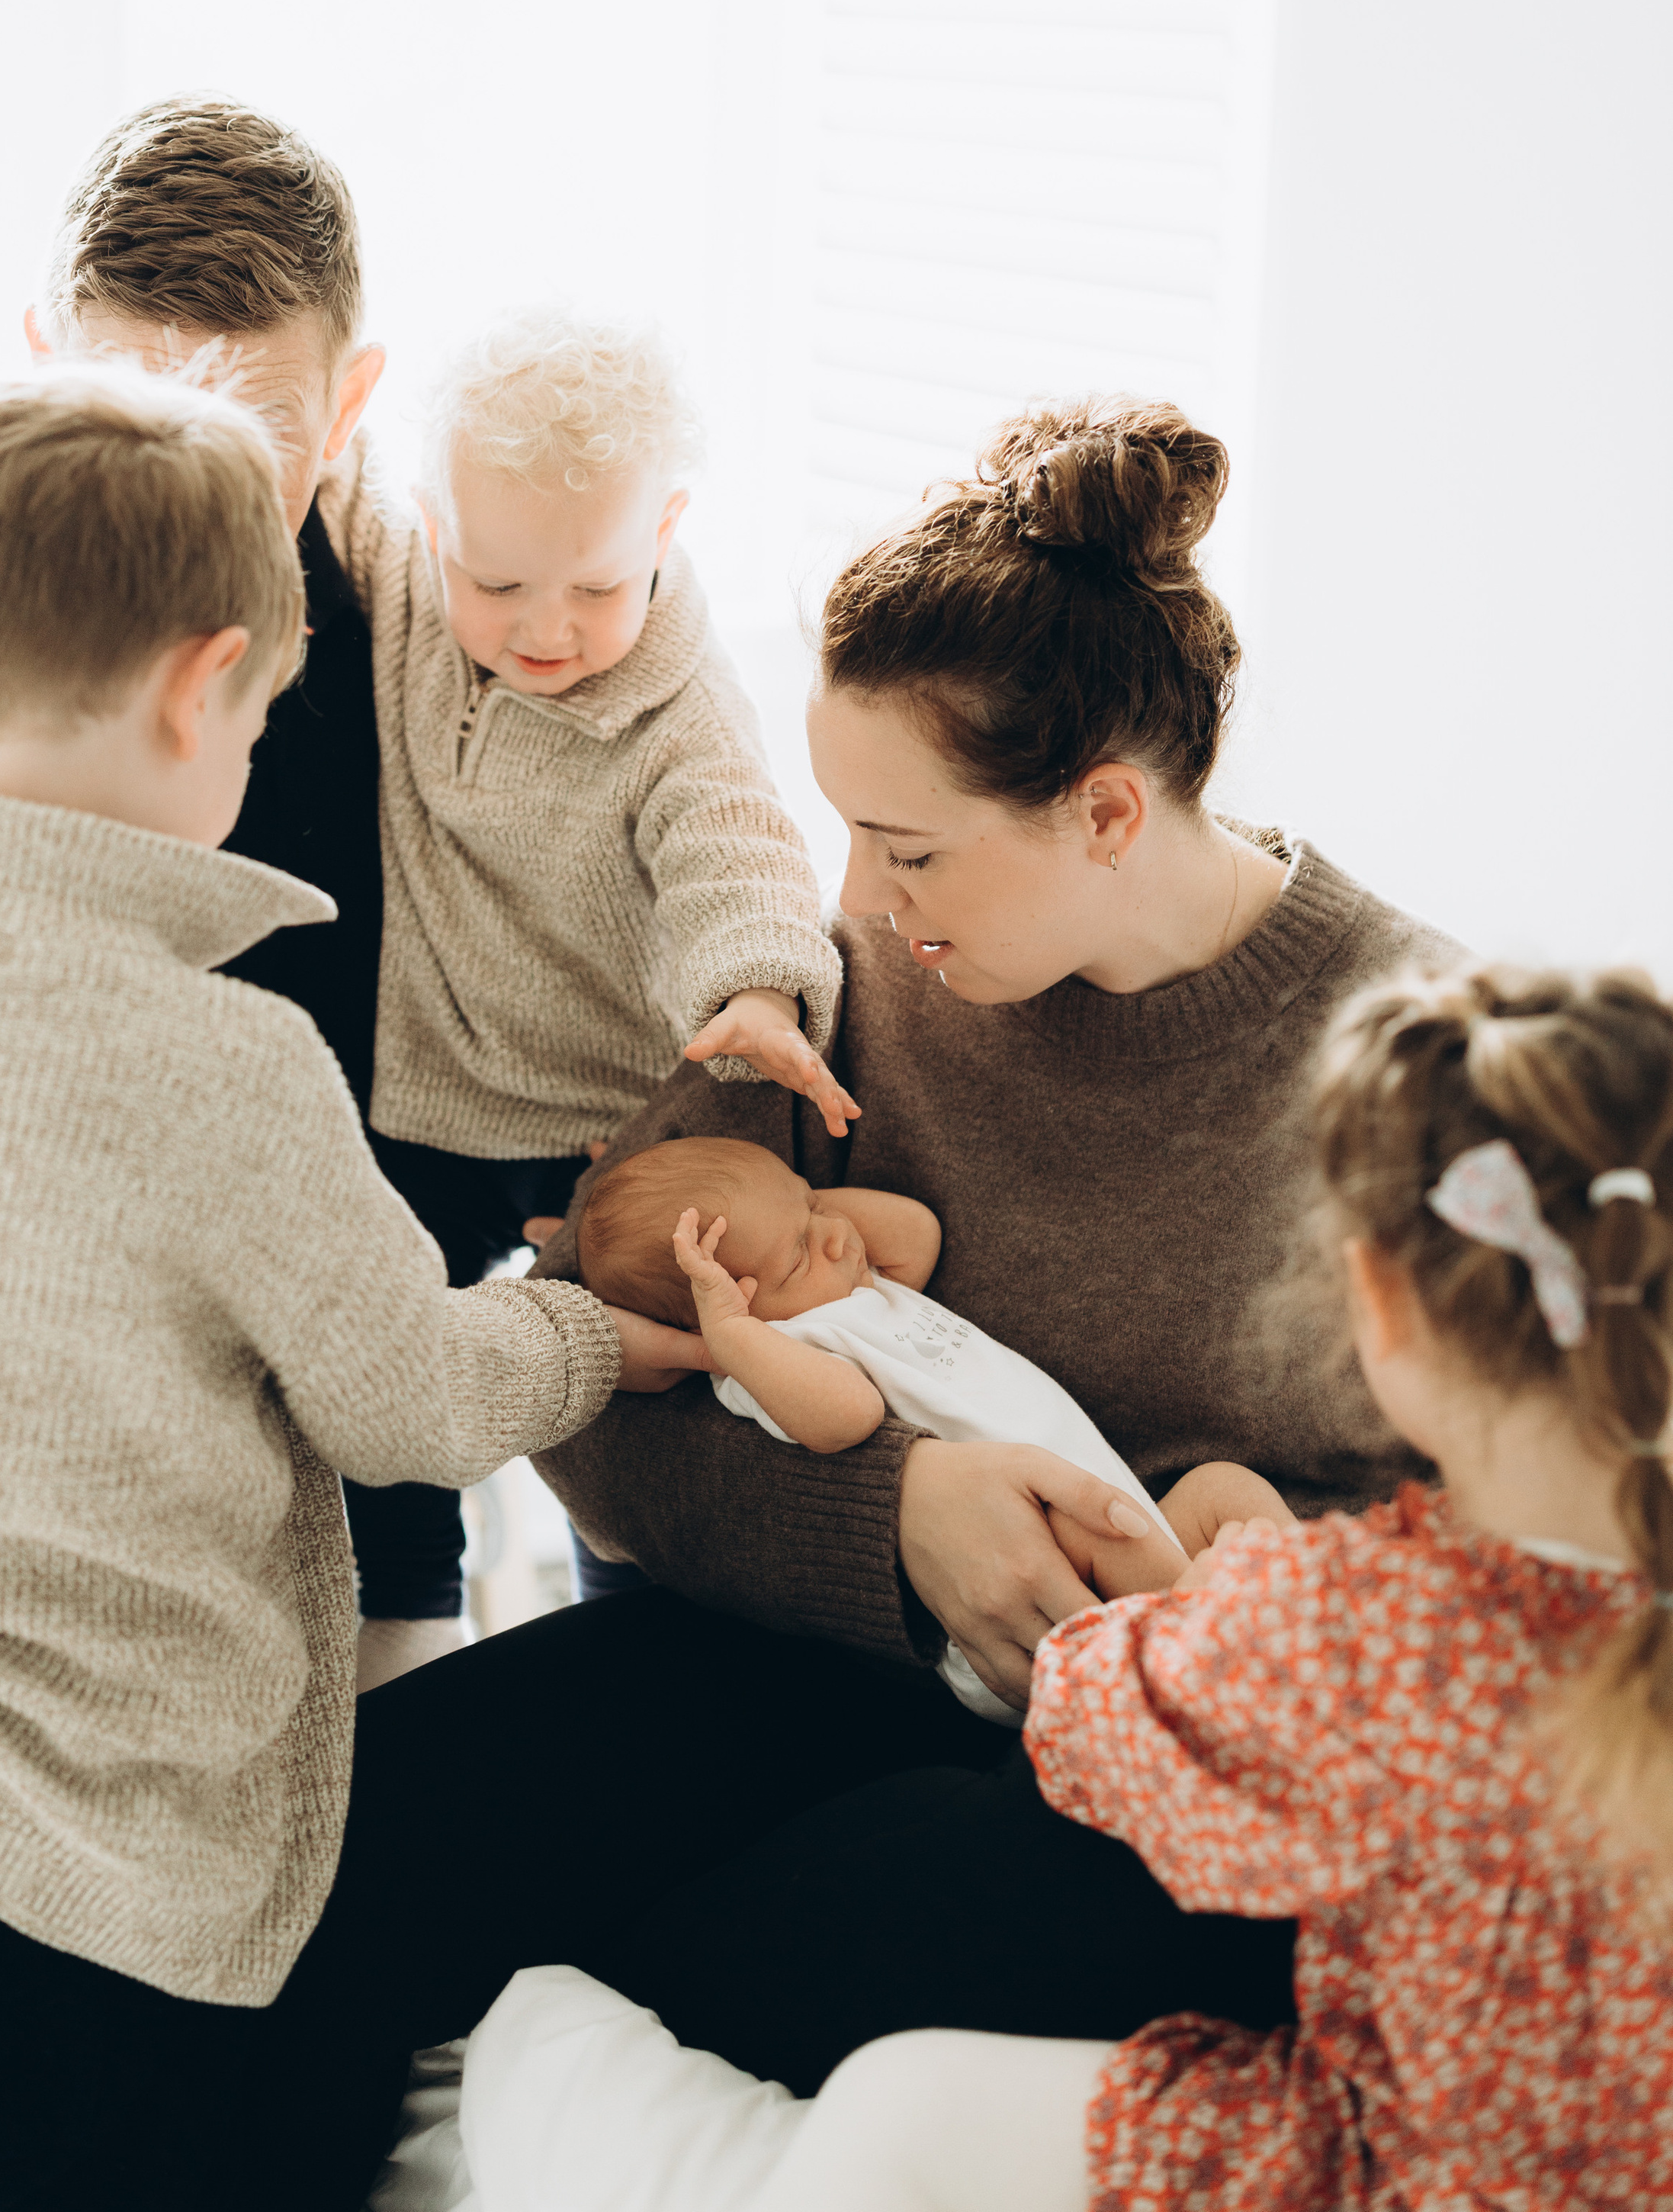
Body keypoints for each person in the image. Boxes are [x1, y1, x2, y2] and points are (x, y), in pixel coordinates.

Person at [340, 394, 1464, 2148]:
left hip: (1175, 1781)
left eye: (908, 845)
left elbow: (1504, 1575)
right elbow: (582, 1357)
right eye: (844, 827)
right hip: (804, 1655)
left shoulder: (1421, 1066)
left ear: (1103, 812)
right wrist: (888, 1514)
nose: (849, 889)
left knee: (812, 1926)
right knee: (335, 1840)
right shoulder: (845, 983)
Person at [0, 362, 670, 2212]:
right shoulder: (222, 1062)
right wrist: (585, 1328)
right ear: (198, 687)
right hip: (97, 1880)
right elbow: (411, 1401)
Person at [455, 960, 1673, 2212]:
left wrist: (1201, 1589)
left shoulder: (1355, 1631)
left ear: (1379, 1307)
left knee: (891, 2099)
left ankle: (535, 2071)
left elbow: (1096, 1717)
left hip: (1400, 2167)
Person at [0, 93, 474, 1684]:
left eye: (252, 435)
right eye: (123, 405)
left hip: (371, 1459)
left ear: (350, 407)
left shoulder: (449, 643)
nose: (176, 488)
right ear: (34, 364)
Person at [320, 307, 850, 1612]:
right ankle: (401, 1622)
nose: (544, 626)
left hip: (604, 1127)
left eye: (598, 588)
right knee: (384, 1374)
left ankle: (624, 1607)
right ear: (436, 529)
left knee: (646, 1386)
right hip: (429, 1093)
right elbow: (299, 479)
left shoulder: (678, 715)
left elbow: (740, 855)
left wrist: (760, 991)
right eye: (497, 586)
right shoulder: (396, 576)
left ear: (663, 532)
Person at [578, 1136, 1289, 1720]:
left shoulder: (854, 1284)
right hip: (1029, 1591)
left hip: (1107, 1515)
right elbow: (846, 1420)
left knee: (1224, 1489)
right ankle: (1231, 1677)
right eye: (798, 1252)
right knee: (1111, 1534)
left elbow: (918, 1233)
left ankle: (1303, 1614)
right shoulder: (773, 1359)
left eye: (812, 1202)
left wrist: (797, 1209)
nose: (832, 1236)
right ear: (728, 1314)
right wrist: (731, 1336)